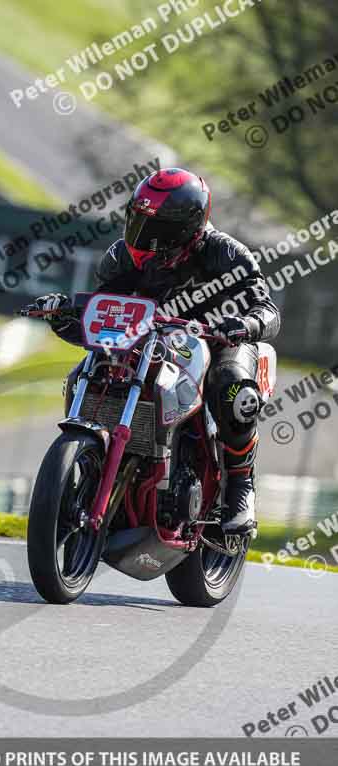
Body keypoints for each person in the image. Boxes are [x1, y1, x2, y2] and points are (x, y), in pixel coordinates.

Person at [34, 168, 280, 537]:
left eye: (157, 228)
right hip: (153, 340)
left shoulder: (226, 253)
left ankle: (241, 486)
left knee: (234, 389)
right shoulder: (121, 257)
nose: (144, 236)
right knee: (86, 372)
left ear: (187, 229)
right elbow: (101, 318)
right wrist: (64, 317)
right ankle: (98, 469)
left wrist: (244, 324)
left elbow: (268, 310)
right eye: (139, 222)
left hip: (219, 342)